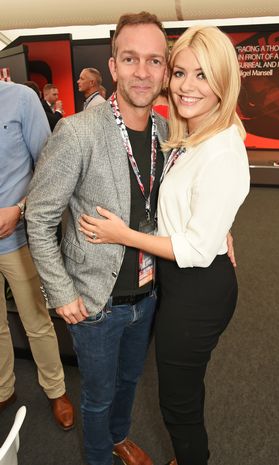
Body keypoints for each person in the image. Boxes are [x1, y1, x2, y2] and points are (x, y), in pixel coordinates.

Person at [77, 26, 250, 465]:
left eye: (203, 75)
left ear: (224, 82)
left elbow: (194, 248)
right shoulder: (195, 131)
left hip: (196, 289)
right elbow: (193, 203)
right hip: (181, 281)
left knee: (178, 405)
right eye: (180, 72)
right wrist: (218, 228)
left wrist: (123, 235)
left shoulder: (222, 148)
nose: (187, 86)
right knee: (185, 388)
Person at [26, 11, 169, 465]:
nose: (142, 72)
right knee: (98, 397)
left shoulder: (165, 131)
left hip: (145, 295)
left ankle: (119, 437)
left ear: (165, 69)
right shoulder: (78, 132)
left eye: (154, 61)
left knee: (129, 384)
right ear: (113, 67)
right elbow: (40, 218)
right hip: (94, 304)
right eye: (130, 59)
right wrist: (62, 292)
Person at [0, 80, 74, 430]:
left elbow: (48, 167)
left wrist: (19, 207)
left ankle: (56, 390)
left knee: (36, 321)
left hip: (16, 239)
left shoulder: (21, 99)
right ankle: (3, 389)